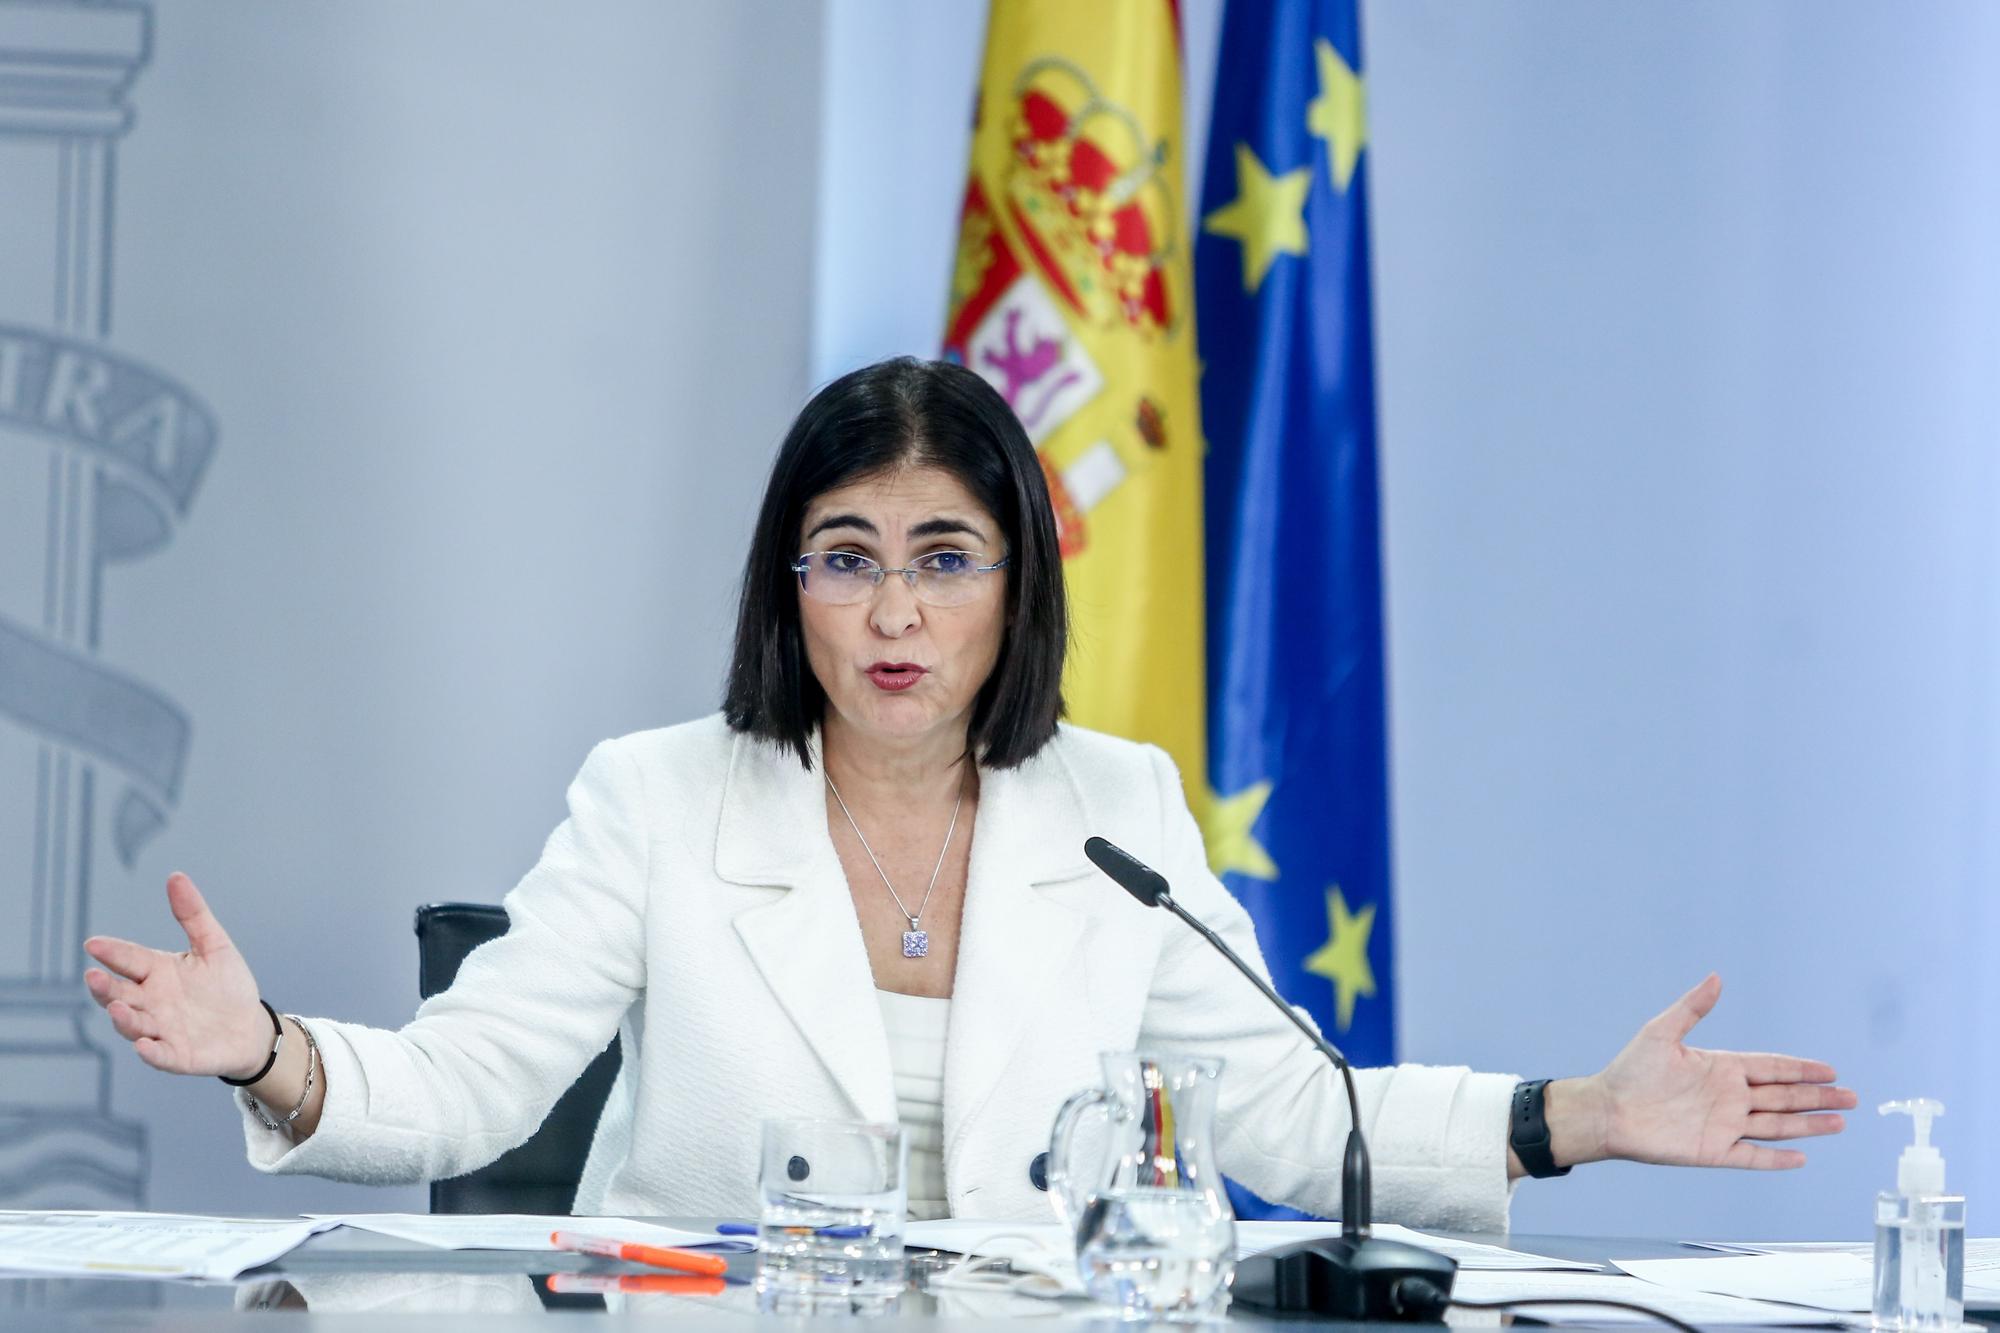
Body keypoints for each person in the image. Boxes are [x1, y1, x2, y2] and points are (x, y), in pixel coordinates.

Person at [81, 357, 1854, 1229]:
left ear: (1021, 584)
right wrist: (266, 1049)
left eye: (947, 554)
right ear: (790, 588)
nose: (899, 608)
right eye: (847, 557)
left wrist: (1584, 1114)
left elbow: (1289, 1120)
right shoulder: (658, 795)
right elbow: (466, 1090)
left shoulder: (1120, 807)